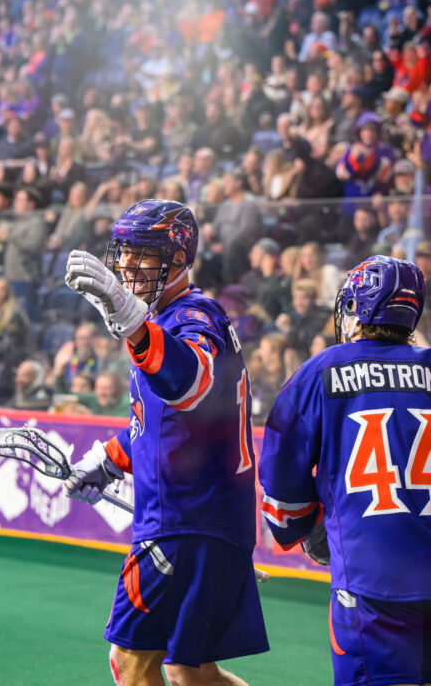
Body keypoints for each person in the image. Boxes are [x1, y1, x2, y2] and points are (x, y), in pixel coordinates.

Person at [258, 255, 431, 686]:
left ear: (359, 309)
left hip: (373, 579)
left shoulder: (319, 373)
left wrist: (303, 528)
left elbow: (281, 486)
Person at [63, 200, 269, 685]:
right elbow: (164, 424)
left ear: (178, 258)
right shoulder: (173, 318)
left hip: (184, 523)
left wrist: (136, 325)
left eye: (141, 253)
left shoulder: (192, 316)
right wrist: (108, 460)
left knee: (131, 663)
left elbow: (189, 382)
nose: (126, 264)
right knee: (189, 671)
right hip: (208, 521)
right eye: (123, 252)